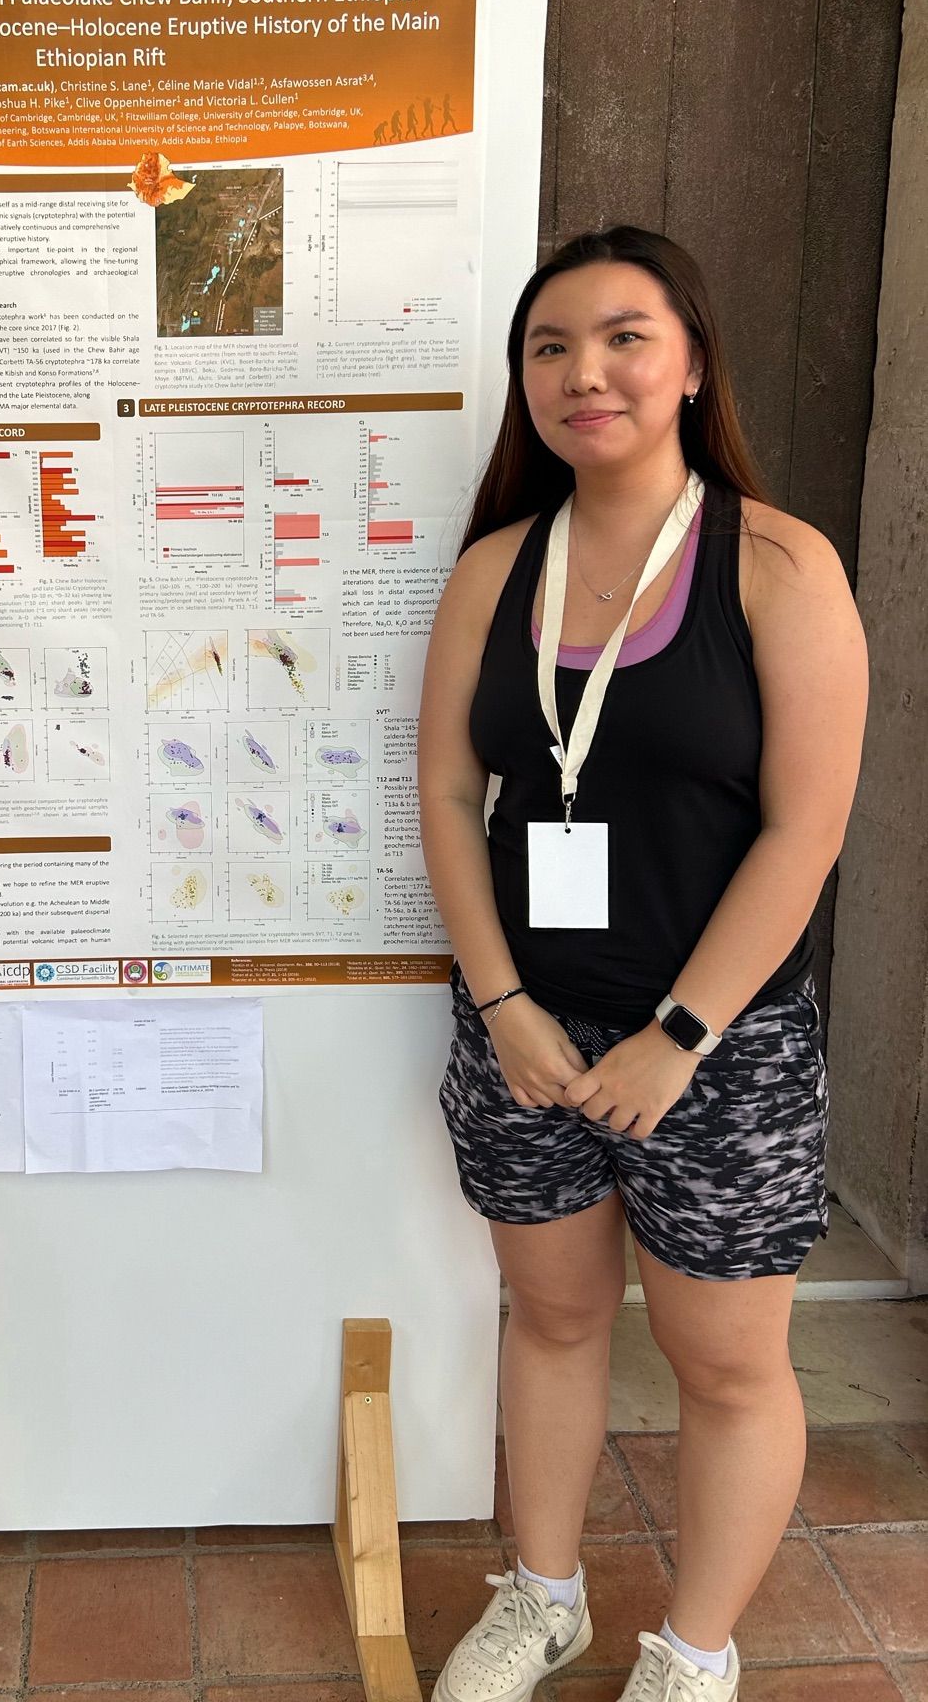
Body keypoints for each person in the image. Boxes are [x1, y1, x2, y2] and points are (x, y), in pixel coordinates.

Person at [417, 226, 868, 1702]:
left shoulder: (781, 565)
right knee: (550, 1322)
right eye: (549, 347)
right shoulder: (496, 569)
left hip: (718, 1053)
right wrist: (502, 1009)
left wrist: (678, 1034)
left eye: (622, 337)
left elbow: (805, 834)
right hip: (529, 1036)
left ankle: (695, 1653)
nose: (583, 372)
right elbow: (442, 796)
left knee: (723, 1364)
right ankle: (542, 1599)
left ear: (689, 364)